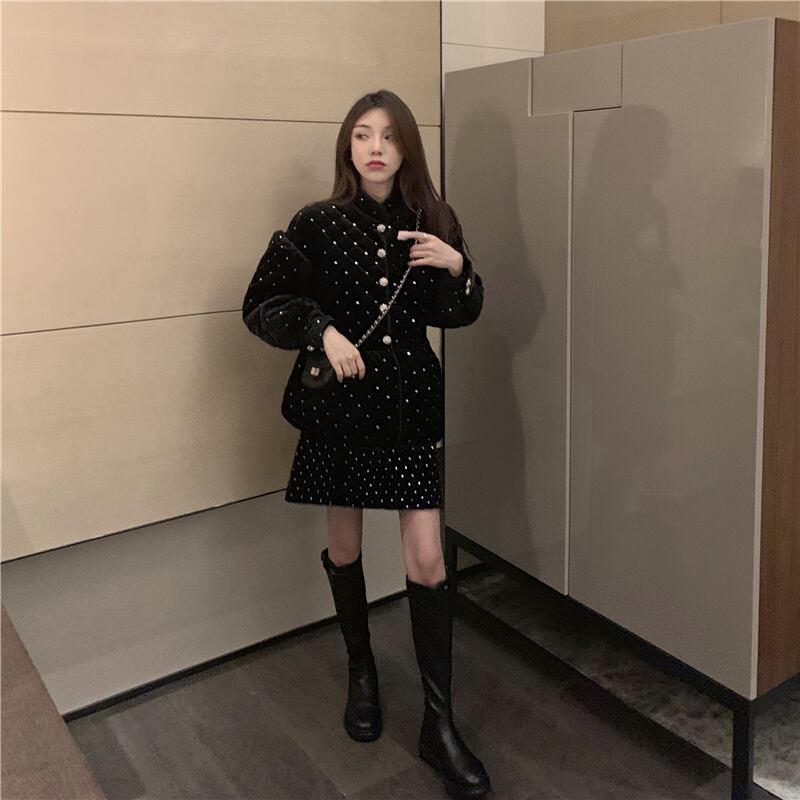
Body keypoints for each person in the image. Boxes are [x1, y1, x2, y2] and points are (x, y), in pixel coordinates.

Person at [241, 89, 489, 800]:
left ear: (407, 147)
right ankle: (362, 673)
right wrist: (321, 330)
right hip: (340, 410)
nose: (375, 148)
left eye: (389, 136)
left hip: (409, 407)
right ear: (347, 146)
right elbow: (262, 304)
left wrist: (457, 267)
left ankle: (439, 725)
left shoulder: (433, 221)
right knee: (345, 548)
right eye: (362, 135)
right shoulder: (316, 223)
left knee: (429, 559)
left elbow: (459, 313)